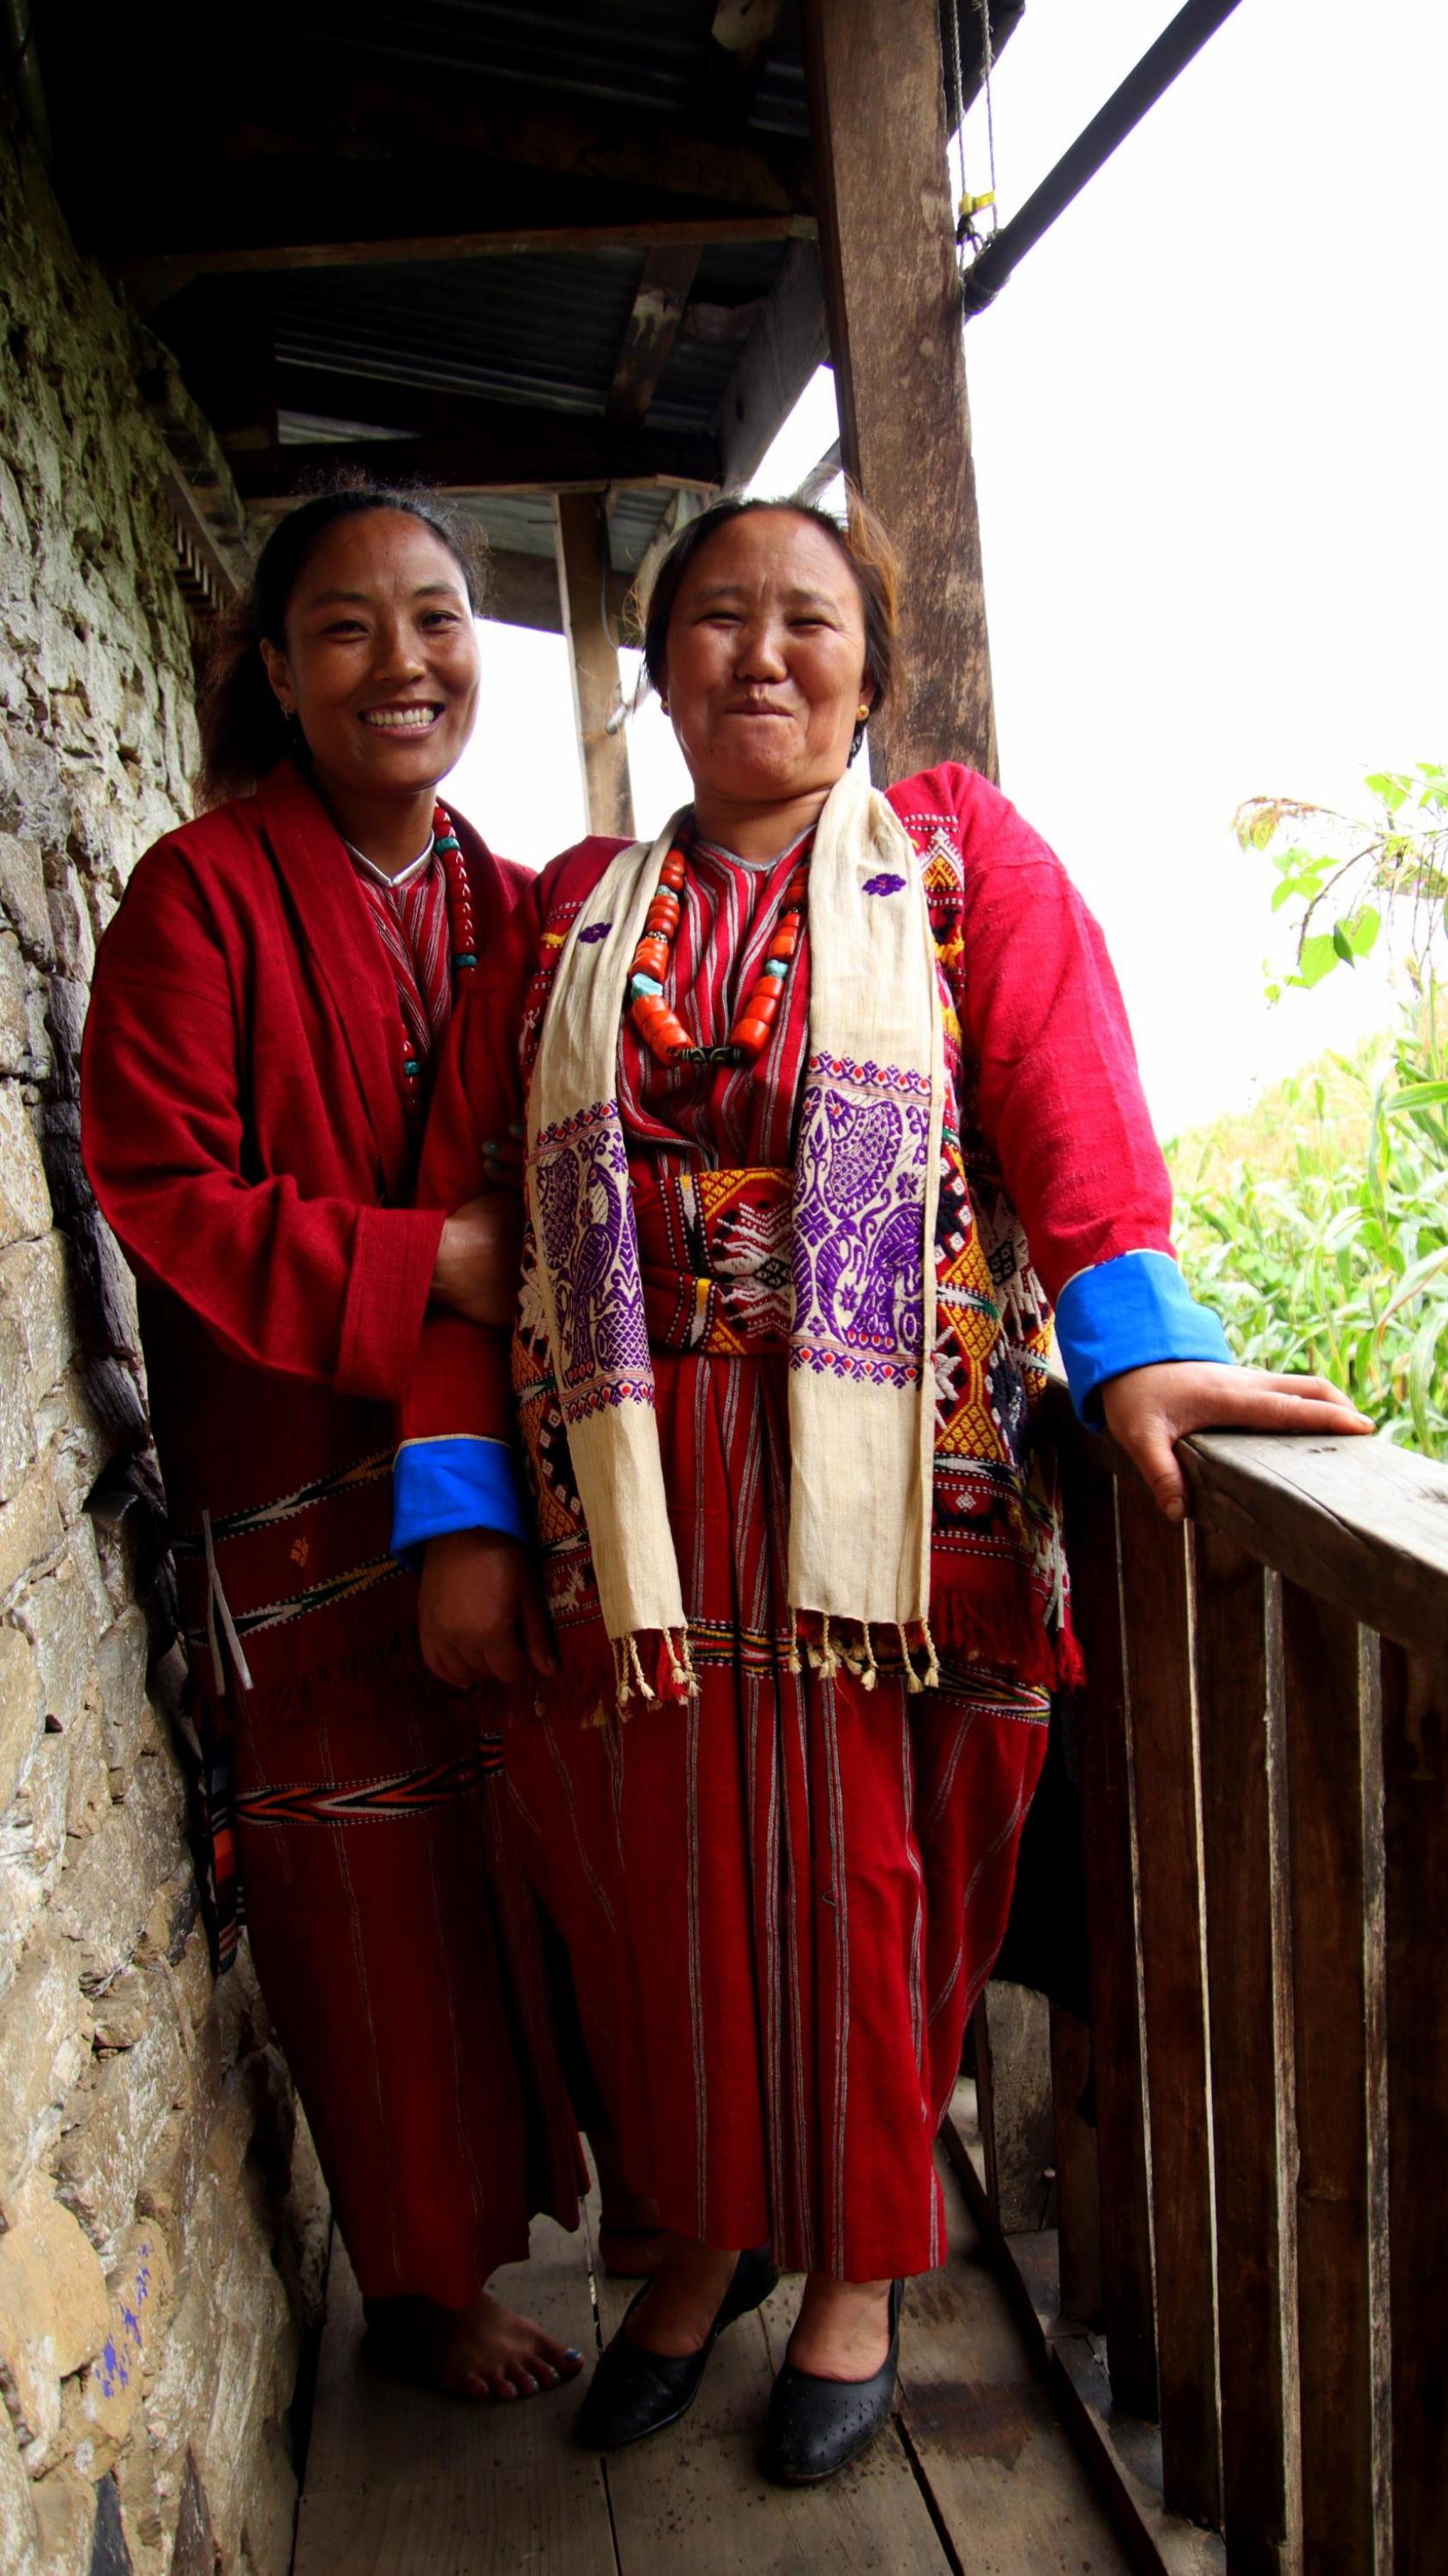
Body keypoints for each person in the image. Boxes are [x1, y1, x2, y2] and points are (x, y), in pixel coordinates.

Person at [396, 492, 1371, 2476]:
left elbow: (1072, 1114)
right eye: (720, 618)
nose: (763, 650)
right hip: (632, 1534)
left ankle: (855, 2257)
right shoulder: (569, 909)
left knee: (865, 1890)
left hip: (883, 1534)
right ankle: (706, 2237)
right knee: (652, 1901)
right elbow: (465, 1220)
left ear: (868, 665)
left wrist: (1141, 1348)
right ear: (659, 668)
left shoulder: (957, 868)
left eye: (809, 618)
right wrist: (465, 1513)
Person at [81, 486, 588, 2403]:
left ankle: (548, 2214)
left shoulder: (510, 905)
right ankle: (420, 2283)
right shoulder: (197, 896)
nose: (406, 662)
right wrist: (425, 1259)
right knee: (365, 1898)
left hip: (490, 1484)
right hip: (298, 1495)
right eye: (351, 628)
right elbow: (162, 1185)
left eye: (440, 619)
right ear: (277, 672)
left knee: (501, 1865)